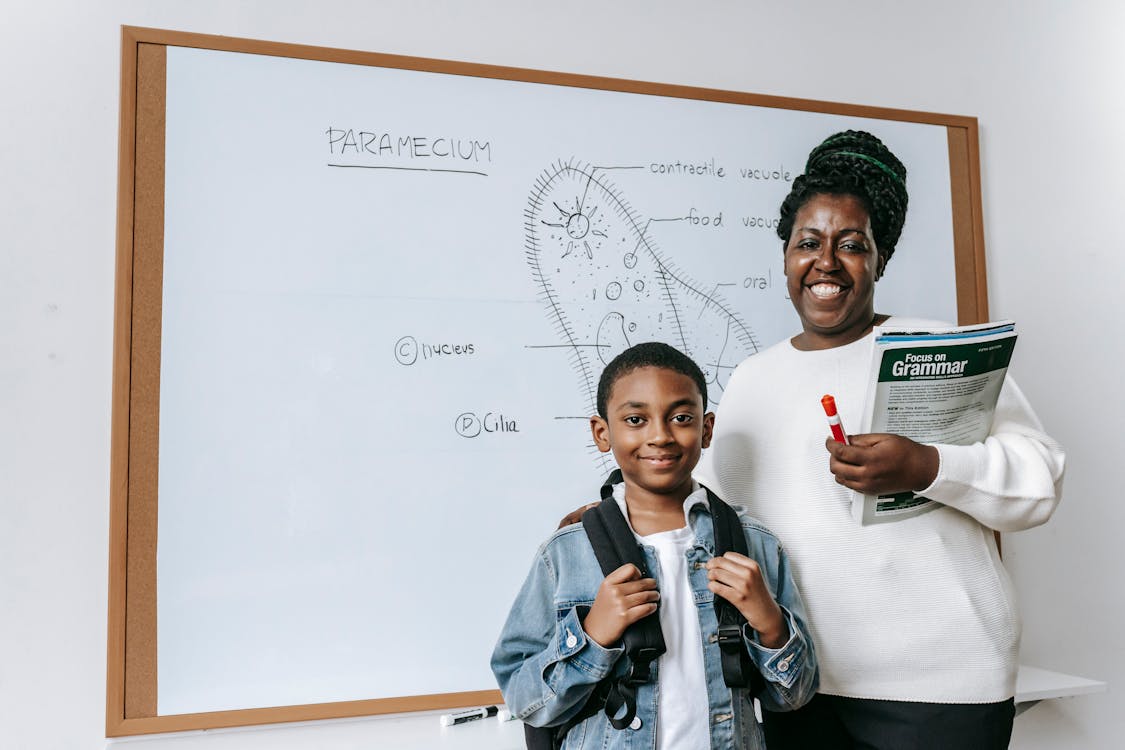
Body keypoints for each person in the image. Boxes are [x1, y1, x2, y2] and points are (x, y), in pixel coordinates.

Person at [693, 130, 1066, 749]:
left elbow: (1040, 481)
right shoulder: (754, 379)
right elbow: (708, 508)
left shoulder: (939, 349)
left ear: (880, 259)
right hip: (800, 680)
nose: (826, 263)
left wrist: (924, 466)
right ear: (785, 257)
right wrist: (613, 515)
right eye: (807, 243)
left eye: (852, 245)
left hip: (942, 686)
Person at [491, 341, 817, 749]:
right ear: (602, 433)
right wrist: (591, 635)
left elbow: (795, 696)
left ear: (707, 428)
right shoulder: (565, 554)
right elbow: (524, 699)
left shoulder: (755, 545)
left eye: (681, 417)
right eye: (636, 419)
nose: (660, 436)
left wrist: (770, 623)